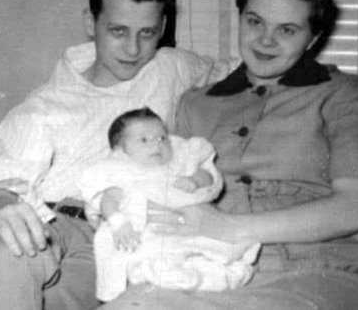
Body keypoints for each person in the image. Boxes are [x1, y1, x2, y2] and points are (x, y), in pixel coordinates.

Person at [100, 0, 358, 310]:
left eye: (287, 29)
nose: (266, 40)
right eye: (254, 22)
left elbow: (357, 207)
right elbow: (164, 184)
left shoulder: (346, 94)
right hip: (208, 267)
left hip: (319, 268)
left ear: (313, 38)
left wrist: (228, 227)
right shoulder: (196, 102)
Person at [0, 0, 237, 310]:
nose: (133, 48)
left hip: (115, 237)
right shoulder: (49, 102)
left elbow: (238, 68)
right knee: (0, 252)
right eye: (118, 31)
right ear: (89, 23)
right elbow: (2, 175)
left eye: (147, 33)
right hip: (47, 222)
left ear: (163, 29)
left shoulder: (171, 67)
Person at [80, 107, 260, 302]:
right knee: (146, 257)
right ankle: (174, 276)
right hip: (147, 232)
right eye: (144, 140)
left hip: (193, 226)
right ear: (120, 150)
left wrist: (194, 181)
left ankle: (226, 273)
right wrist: (119, 223)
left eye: (162, 138)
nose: (157, 144)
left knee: (212, 251)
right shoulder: (122, 172)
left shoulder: (181, 162)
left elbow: (208, 175)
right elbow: (109, 201)